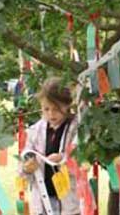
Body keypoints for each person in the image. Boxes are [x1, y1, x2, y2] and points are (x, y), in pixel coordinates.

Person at [20, 77, 80, 215]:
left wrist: (64, 158)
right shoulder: (35, 131)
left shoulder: (76, 128)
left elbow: (82, 160)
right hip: (42, 200)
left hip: (69, 200)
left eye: (56, 109)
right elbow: (24, 163)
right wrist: (27, 168)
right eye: (46, 109)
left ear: (68, 105)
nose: (51, 114)